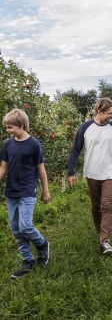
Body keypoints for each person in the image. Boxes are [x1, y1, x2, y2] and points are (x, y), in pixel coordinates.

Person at [68, 97, 112, 255]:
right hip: (92, 172)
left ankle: (105, 240)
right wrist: (71, 171)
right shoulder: (85, 127)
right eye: (109, 113)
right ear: (99, 111)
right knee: (96, 206)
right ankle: (100, 231)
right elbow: (76, 150)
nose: (111, 116)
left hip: (110, 172)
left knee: (107, 204)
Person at [0, 108, 51, 279]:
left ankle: (42, 244)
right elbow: (3, 167)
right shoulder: (8, 144)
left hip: (27, 191)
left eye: (10, 127)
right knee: (15, 229)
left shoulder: (34, 145)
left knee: (25, 226)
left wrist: (46, 191)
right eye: (6, 127)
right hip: (11, 191)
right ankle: (27, 261)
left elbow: (41, 170)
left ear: (22, 125)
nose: (8, 131)